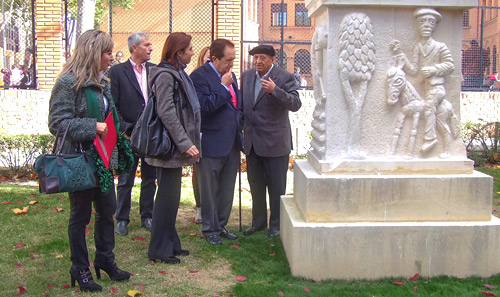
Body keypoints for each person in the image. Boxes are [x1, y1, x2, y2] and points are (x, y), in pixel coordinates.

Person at [47, 29, 133, 292]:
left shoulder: (102, 82)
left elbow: (111, 119)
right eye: (108, 52)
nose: (111, 57)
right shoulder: (68, 83)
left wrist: (121, 138)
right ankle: (80, 268)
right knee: (80, 217)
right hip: (80, 162)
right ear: (94, 53)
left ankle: (106, 260)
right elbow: (57, 123)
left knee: (107, 212)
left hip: (103, 162)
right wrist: (92, 126)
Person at [146, 32, 201, 264]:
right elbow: (166, 112)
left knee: (172, 197)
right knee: (167, 199)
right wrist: (185, 142)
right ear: (178, 52)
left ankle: (171, 243)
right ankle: (159, 249)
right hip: (168, 148)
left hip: (175, 148)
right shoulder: (166, 75)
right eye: (189, 49)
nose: (192, 52)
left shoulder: (178, 72)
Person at [241, 45, 301, 238]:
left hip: (275, 144)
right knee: (256, 184)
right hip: (253, 144)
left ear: (272, 59)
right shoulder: (248, 76)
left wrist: (276, 91)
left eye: (262, 58)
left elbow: (295, 103)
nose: (258, 62)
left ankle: (276, 225)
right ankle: (258, 223)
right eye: (255, 58)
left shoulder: (284, 78)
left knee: (276, 188)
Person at [190, 39, 242, 245]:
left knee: (227, 187)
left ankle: (220, 225)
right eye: (228, 60)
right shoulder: (199, 77)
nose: (231, 64)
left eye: (233, 60)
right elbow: (203, 107)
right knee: (209, 189)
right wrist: (222, 87)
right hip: (211, 142)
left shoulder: (231, 76)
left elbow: (236, 104)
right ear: (214, 58)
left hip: (232, 142)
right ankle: (209, 228)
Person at [109, 32, 156, 236]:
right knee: (126, 178)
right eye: (146, 45)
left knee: (149, 177)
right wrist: (126, 129)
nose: (150, 48)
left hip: (151, 133)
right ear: (134, 47)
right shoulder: (118, 72)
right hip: (129, 135)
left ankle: (147, 215)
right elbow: (112, 105)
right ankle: (122, 219)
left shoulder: (155, 70)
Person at [395, 8, 454, 154]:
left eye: (430, 22)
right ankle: (444, 146)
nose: (426, 25)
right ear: (418, 25)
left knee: (429, 107)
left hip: (437, 88)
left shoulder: (440, 47)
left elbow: (450, 65)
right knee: (437, 119)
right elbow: (414, 70)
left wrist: (433, 69)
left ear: (434, 26)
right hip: (426, 89)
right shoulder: (418, 47)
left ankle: (430, 138)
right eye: (422, 22)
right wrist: (400, 54)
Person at [190, 45, 211, 224]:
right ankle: (199, 207)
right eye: (208, 59)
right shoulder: (196, 77)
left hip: (215, 132)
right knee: (198, 170)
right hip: (199, 130)